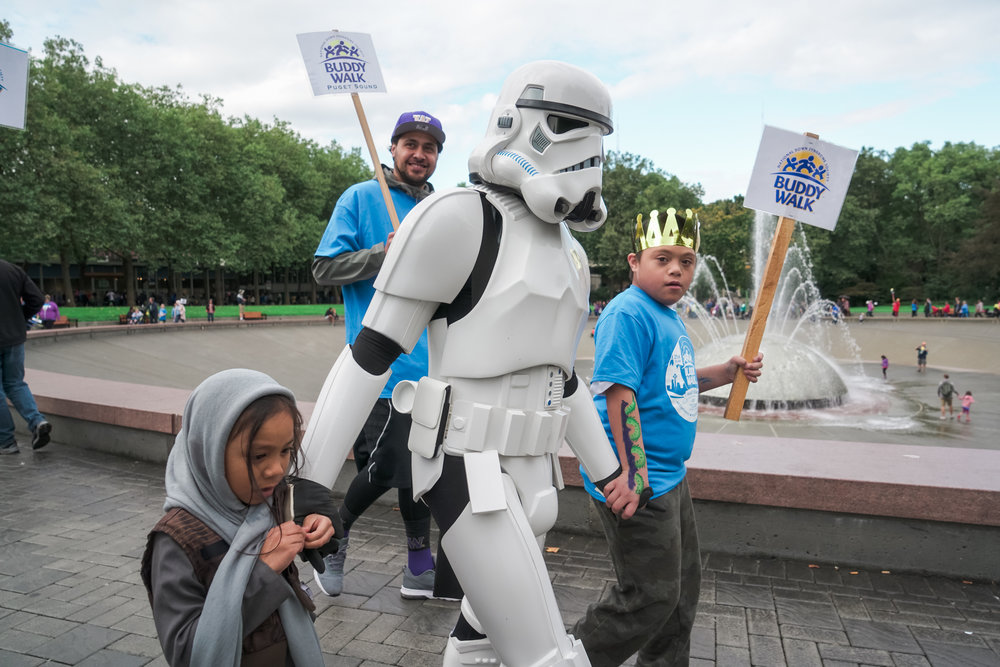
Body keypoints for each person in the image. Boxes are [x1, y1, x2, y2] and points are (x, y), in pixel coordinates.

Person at [302, 62, 634, 666]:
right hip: (466, 469)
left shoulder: (574, 255)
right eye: (566, 127)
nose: (584, 153)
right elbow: (370, 354)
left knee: (477, 644)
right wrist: (309, 481)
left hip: (536, 475)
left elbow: (564, 377)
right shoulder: (459, 219)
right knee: (546, 656)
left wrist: (607, 469)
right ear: (513, 123)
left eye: (595, 136)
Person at [572, 208, 763, 667]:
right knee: (648, 597)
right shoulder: (627, 312)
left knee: (679, 597)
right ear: (635, 262)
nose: (677, 269)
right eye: (664, 258)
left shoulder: (666, 315)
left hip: (668, 476)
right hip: (636, 481)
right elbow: (619, 395)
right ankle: (564, 659)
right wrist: (632, 475)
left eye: (686, 260)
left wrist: (724, 372)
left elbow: (669, 381)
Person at [310, 110, 446, 600]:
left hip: (437, 367)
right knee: (389, 463)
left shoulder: (444, 209)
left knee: (423, 466)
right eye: (410, 143)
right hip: (380, 367)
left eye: (429, 148)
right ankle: (334, 536)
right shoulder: (362, 197)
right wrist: (379, 255)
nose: (419, 154)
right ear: (392, 149)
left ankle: (417, 565)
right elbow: (324, 269)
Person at [140, 369, 340, 666]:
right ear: (210, 448)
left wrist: (322, 523)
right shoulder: (175, 542)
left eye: (286, 451)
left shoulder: (269, 498)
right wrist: (263, 572)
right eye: (258, 456)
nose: (276, 469)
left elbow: (311, 501)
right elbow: (187, 653)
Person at [0, 260, 52, 455]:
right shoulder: (12, 269)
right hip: (14, 337)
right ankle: (37, 421)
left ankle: (6, 441)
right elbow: (37, 299)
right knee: (15, 383)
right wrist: (20, 318)